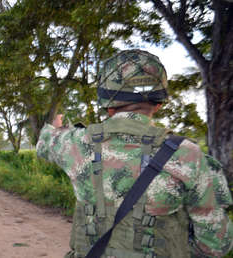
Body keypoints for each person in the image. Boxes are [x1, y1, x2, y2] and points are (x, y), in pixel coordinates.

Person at [36, 49, 233, 258]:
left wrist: (58, 127)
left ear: (108, 105)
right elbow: (216, 243)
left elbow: (44, 144)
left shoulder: (74, 142)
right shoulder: (187, 154)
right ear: (158, 104)